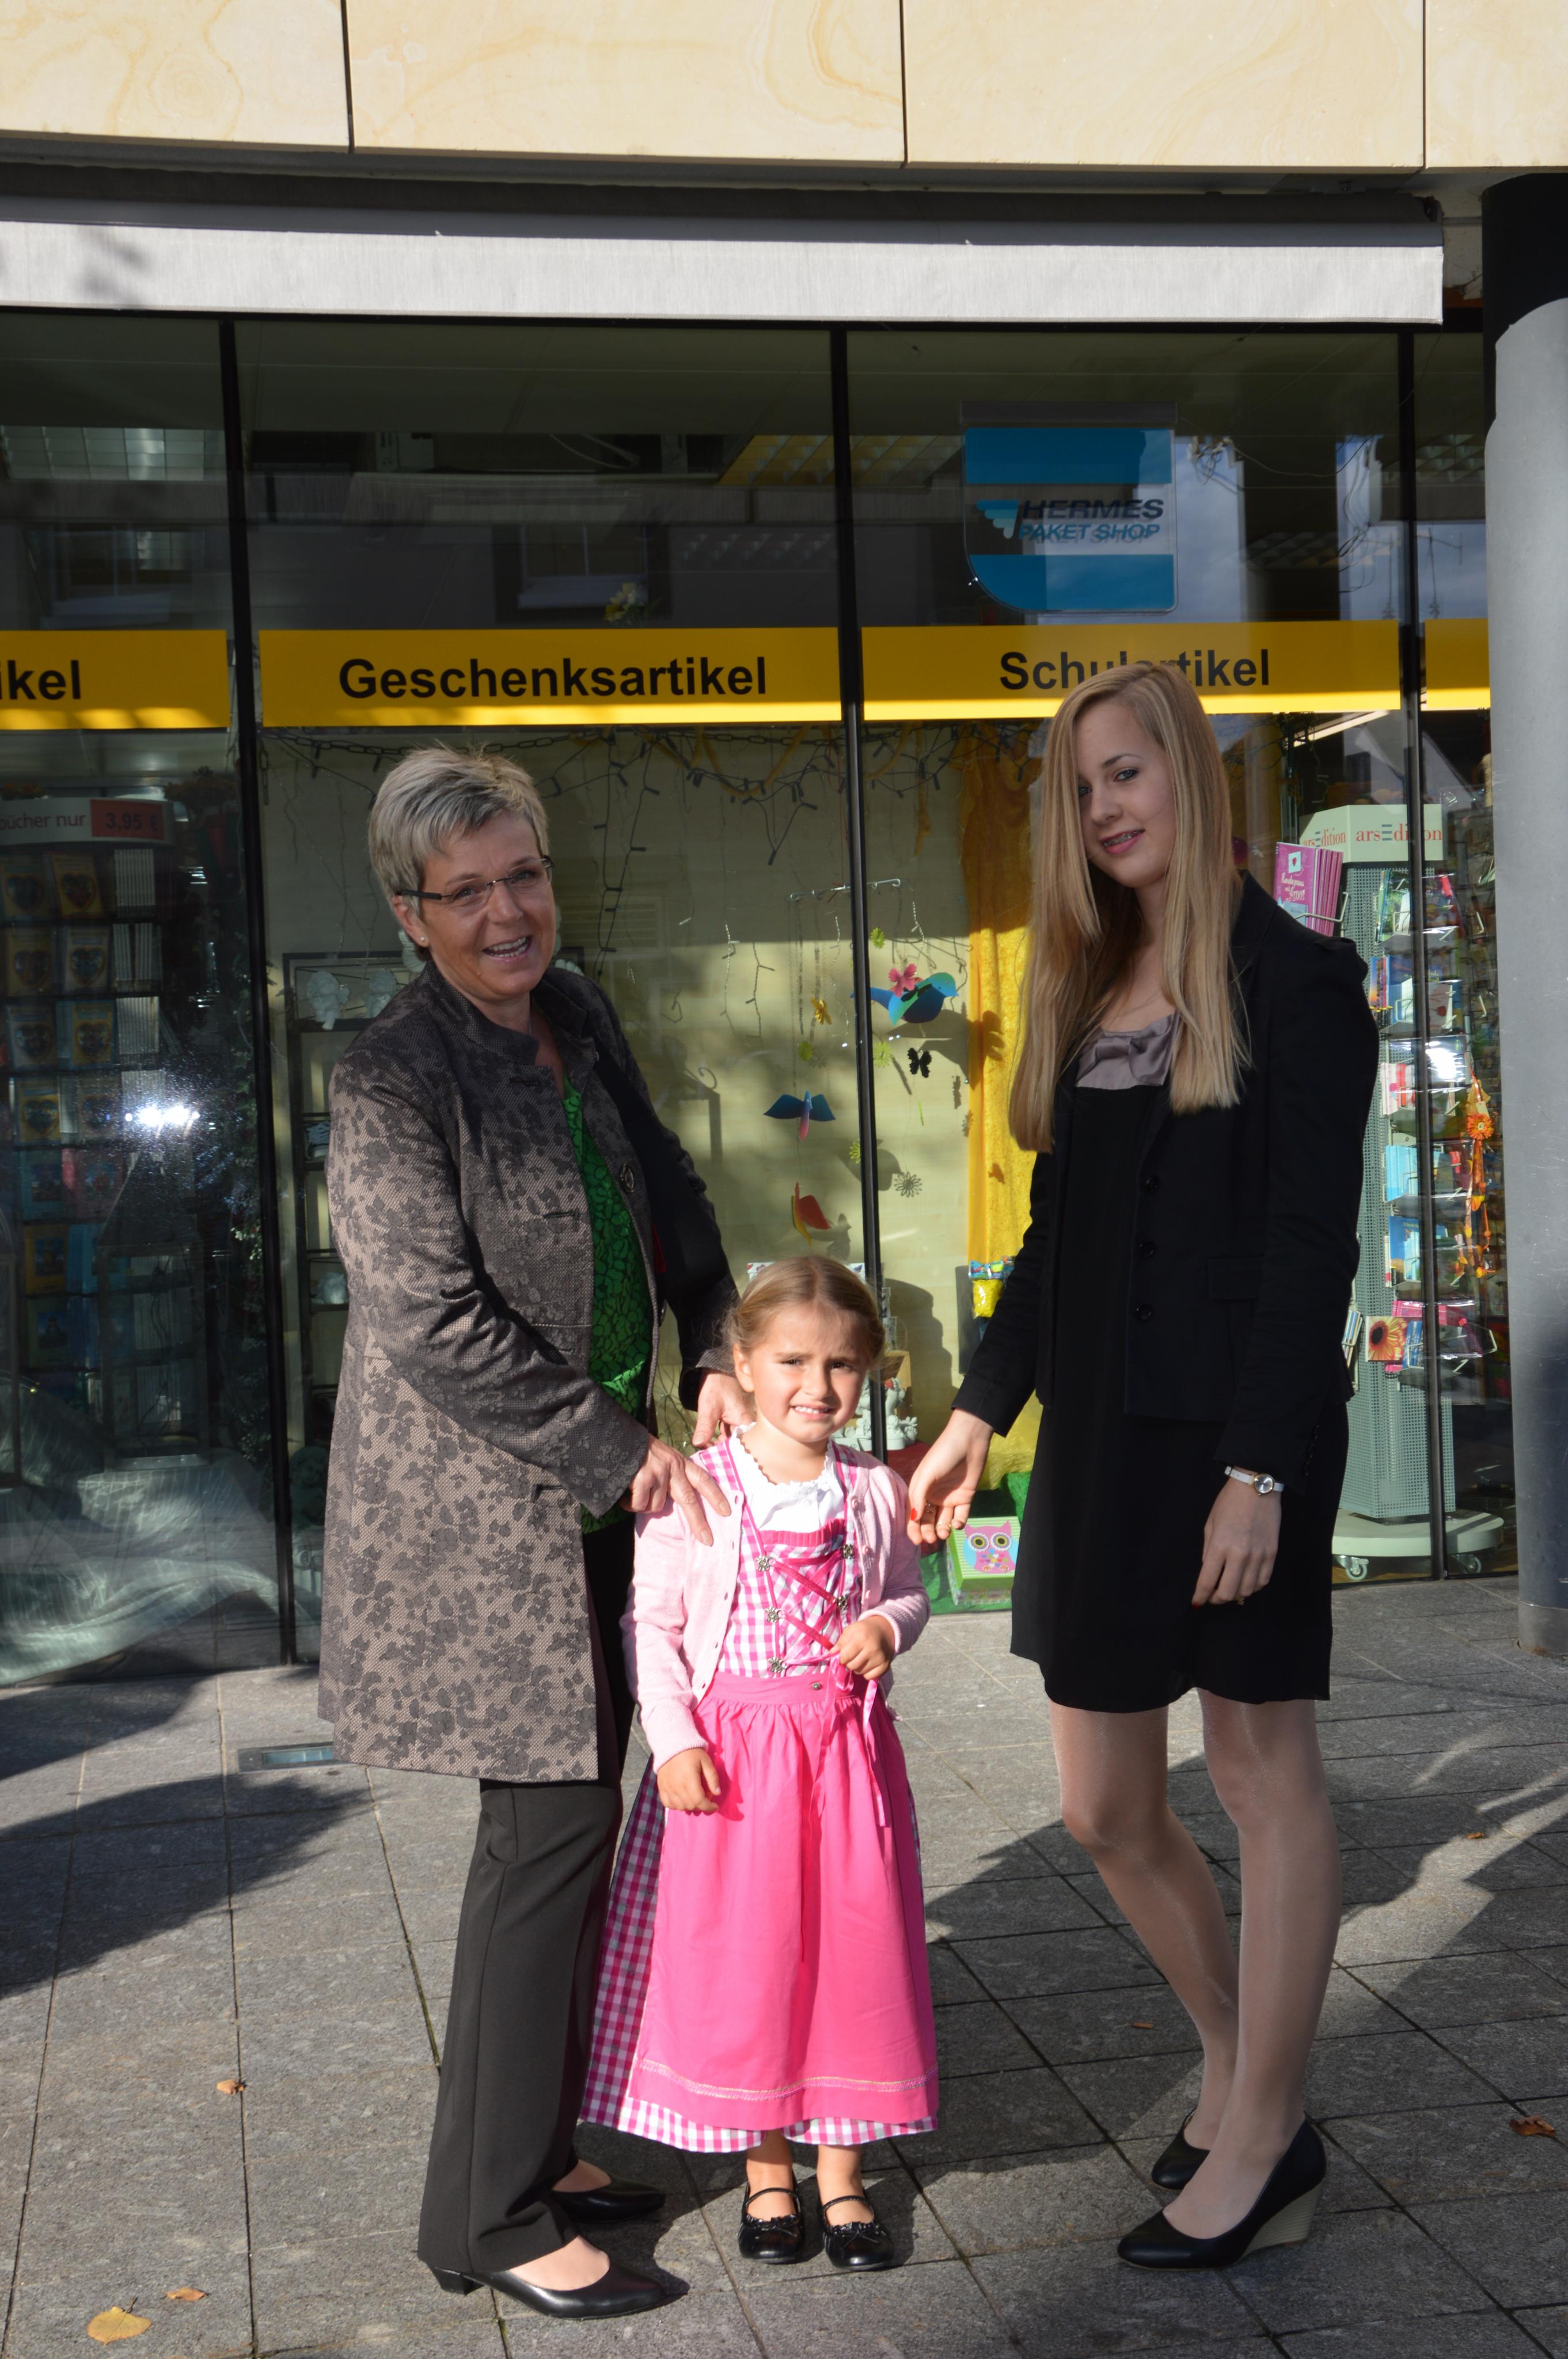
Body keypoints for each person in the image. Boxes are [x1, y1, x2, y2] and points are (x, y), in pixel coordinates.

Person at [909, 662, 1377, 2270]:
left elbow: (1310, 1252)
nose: (1105, 806)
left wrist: (1259, 1471)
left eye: (1127, 770)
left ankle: (1260, 2133)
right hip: (1105, 1439)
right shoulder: (1084, 984)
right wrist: (979, 1411)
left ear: (1189, 770)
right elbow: (1054, 1243)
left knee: (1258, 1770)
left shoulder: (1296, 981)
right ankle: (1247, 2062)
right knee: (1105, 1803)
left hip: (1241, 1438)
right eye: (1080, 784)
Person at [318, 746, 749, 2320]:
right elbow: (429, 1315)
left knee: (577, 1834)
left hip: (614, 1497)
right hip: (489, 1522)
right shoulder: (391, 1075)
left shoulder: (577, 1013)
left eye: (525, 875)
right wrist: (618, 1445)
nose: (509, 913)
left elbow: (671, 1193)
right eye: (468, 892)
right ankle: (489, 2214)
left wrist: (714, 1340)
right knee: (544, 1839)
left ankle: (538, 2148)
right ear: (409, 913)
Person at [581, 1256, 936, 2269]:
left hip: (844, 1766)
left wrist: (887, 1625)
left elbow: (909, 1589)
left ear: (869, 1372)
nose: (817, 1387)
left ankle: (844, 2173)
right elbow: (651, 1625)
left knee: (851, 1960)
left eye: (842, 1366)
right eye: (792, 1362)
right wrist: (675, 1740)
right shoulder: (697, 1488)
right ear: (742, 1364)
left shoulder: (872, 1489)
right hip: (732, 1770)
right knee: (752, 1965)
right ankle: (768, 2168)